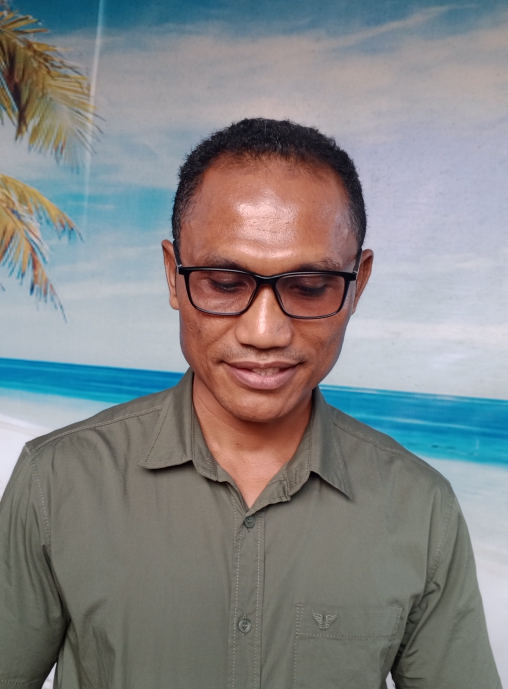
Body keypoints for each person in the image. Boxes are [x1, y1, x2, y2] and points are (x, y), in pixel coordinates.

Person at [0, 118, 500, 689]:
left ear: (357, 285)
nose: (264, 332)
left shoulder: (422, 509)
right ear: (173, 276)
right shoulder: (55, 480)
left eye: (308, 287)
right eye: (224, 282)